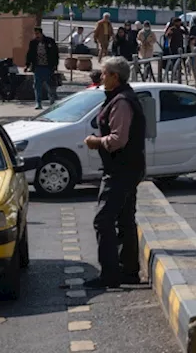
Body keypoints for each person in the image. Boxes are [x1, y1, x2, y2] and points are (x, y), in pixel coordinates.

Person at [83, 57, 146, 289]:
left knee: (103, 220)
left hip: (121, 169)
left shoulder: (121, 102)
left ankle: (110, 275)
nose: (100, 77)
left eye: (104, 74)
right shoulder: (121, 98)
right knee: (125, 218)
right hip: (127, 167)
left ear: (115, 77)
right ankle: (128, 271)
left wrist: (96, 142)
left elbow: (118, 140)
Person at [25, 27, 60, 110]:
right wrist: (27, 65)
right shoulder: (33, 43)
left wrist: (55, 65)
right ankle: (38, 103)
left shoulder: (49, 41)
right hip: (37, 67)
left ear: (41, 33)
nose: (36, 35)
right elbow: (30, 54)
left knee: (50, 85)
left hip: (48, 67)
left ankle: (52, 100)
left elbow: (55, 53)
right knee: (37, 85)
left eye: (37, 34)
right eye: (35, 34)